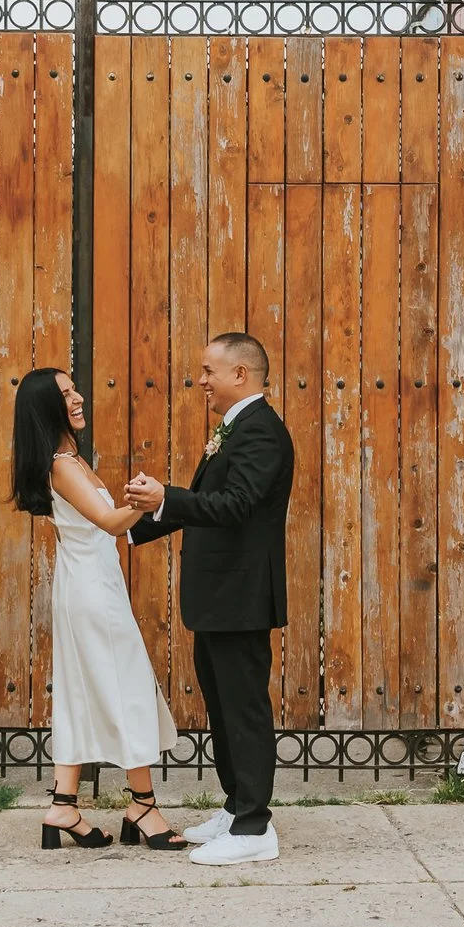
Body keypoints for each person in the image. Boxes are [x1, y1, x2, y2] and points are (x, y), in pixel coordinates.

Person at [121, 332, 295, 867]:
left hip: (241, 596)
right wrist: (133, 523)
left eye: (208, 371)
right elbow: (211, 502)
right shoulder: (237, 427)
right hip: (221, 596)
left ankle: (254, 828)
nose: (201, 381)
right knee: (222, 707)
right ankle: (236, 805)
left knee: (243, 709)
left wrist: (166, 497)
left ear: (240, 374)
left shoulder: (261, 431)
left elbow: (235, 504)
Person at [9, 366, 185, 851]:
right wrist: (153, 500)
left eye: (75, 389)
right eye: (67, 395)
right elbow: (110, 523)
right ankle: (144, 807)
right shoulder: (62, 464)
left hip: (86, 585)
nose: (79, 397)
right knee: (127, 687)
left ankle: (63, 806)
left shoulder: (67, 457)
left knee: (81, 692)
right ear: (49, 407)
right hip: (92, 592)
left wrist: (145, 503)